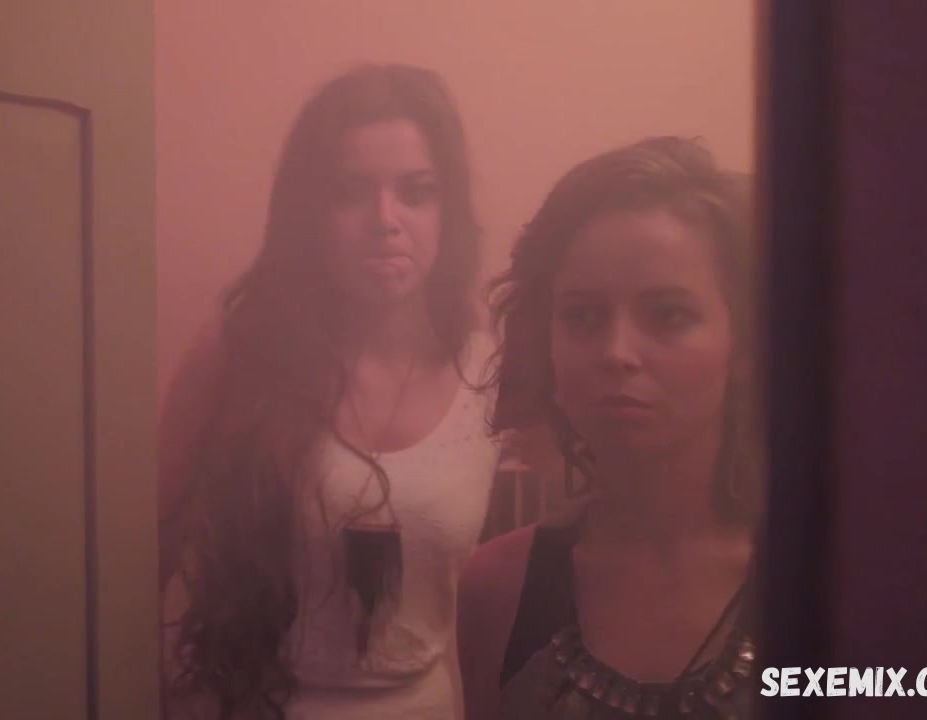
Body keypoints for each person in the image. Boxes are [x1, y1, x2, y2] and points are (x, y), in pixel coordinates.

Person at [159, 63, 502, 720]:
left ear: (447, 210)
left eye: (416, 192)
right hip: (247, 703)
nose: (385, 220)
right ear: (309, 215)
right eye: (350, 193)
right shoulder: (237, 355)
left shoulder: (488, 375)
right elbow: (141, 556)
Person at [458, 137, 762, 719]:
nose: (616, 352)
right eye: (582, 316)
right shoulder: (498, 588)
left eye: (667, 315)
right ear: (546, 341)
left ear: (743, 344)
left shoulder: (833, 581)